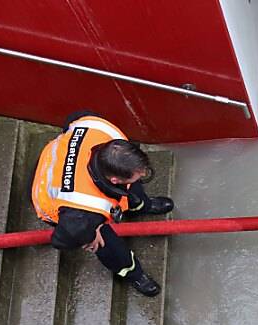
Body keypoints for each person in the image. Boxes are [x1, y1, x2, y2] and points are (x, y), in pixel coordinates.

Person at [31, 112, 174, 297]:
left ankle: (142, 206)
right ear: (114, 180)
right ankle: (132, 273)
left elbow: (74, 118)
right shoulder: (83, 213)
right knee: (110, 248)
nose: (144, 174)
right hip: (52, 197)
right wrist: (90, 234)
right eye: (138, 174)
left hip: (55, 161)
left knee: (134, 188)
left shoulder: (100, 129)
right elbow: (61, 240)